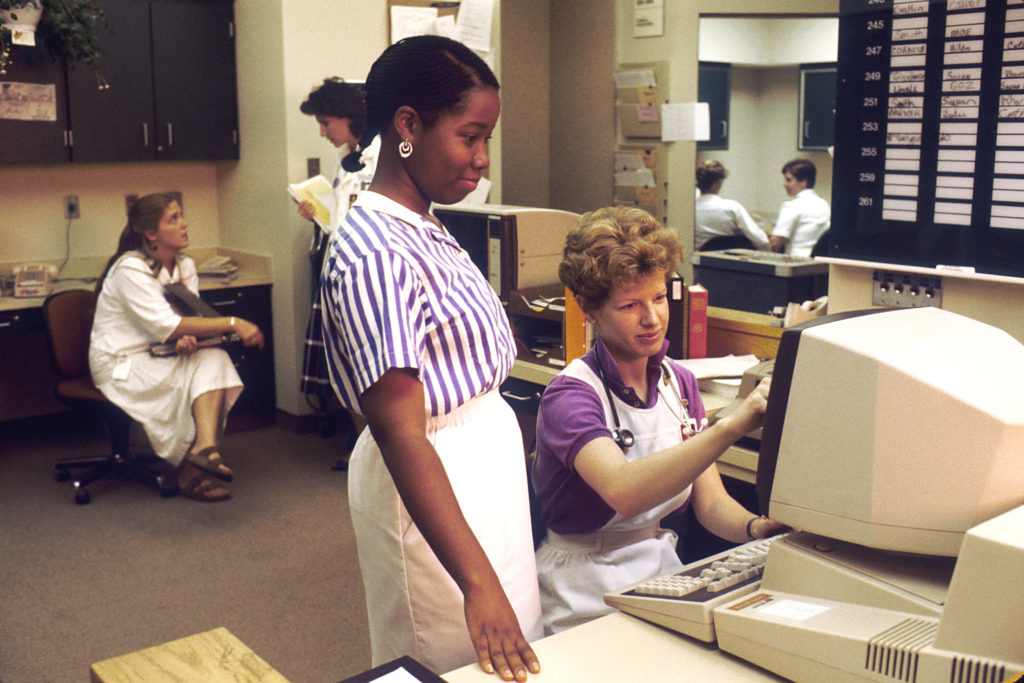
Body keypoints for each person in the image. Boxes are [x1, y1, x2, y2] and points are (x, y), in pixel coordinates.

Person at [319, 36, 542, 679]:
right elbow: (401, 432)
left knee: (508, 653)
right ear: (408, 125)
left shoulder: (422, 221)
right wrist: (476, 582)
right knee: (453, 660)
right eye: (470, 137)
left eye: (487, 140)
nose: (481, 159)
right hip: (433, 485)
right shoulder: (377, 251)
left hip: (478, 477)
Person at [531, 206, 788, 635]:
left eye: (658, 296)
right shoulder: (571, 396)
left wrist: (755, 528)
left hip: (660, 575)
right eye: (630, 305)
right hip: (582, 587)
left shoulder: (678, 382)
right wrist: (733, 425)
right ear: (587, 308)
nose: (652, 318)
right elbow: (625, 493)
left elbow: (710, 504)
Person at [89, 193, 264, 502]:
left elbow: (182, 320)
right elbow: (166, 326)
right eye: (173, 219)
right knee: (194, 378)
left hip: (160, 352)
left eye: (182, 216)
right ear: (151, 235)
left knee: (215, 359)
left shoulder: (184, 266)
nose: (185, 224)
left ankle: (203, 451)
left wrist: (187, 337)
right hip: (122, 361)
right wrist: (234, 322)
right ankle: (194, 469)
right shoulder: (130, 269)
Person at [296, 78, 380, 468]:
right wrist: (320, 216)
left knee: (372, 370)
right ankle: (367, 448)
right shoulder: (345, 159)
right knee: (344, 367)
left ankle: (378, 451)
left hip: (369, 277)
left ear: (349, 117)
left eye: (326, 122)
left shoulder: (380, 155)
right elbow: (343, 219)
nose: (322, 131)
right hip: (339, 271)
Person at [694, 160, 769, 251]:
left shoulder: (691, 210)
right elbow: (761, 241)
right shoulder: (732, 208)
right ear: (719, 182)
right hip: (727, 264)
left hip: (696, 263)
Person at [770, 158, 830, 257]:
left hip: (794, 263)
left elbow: (775, 245)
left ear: (803, 182)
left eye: (788, 180)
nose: (784, 184)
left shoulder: (792, 206)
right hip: (817, 265)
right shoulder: (824, 204)